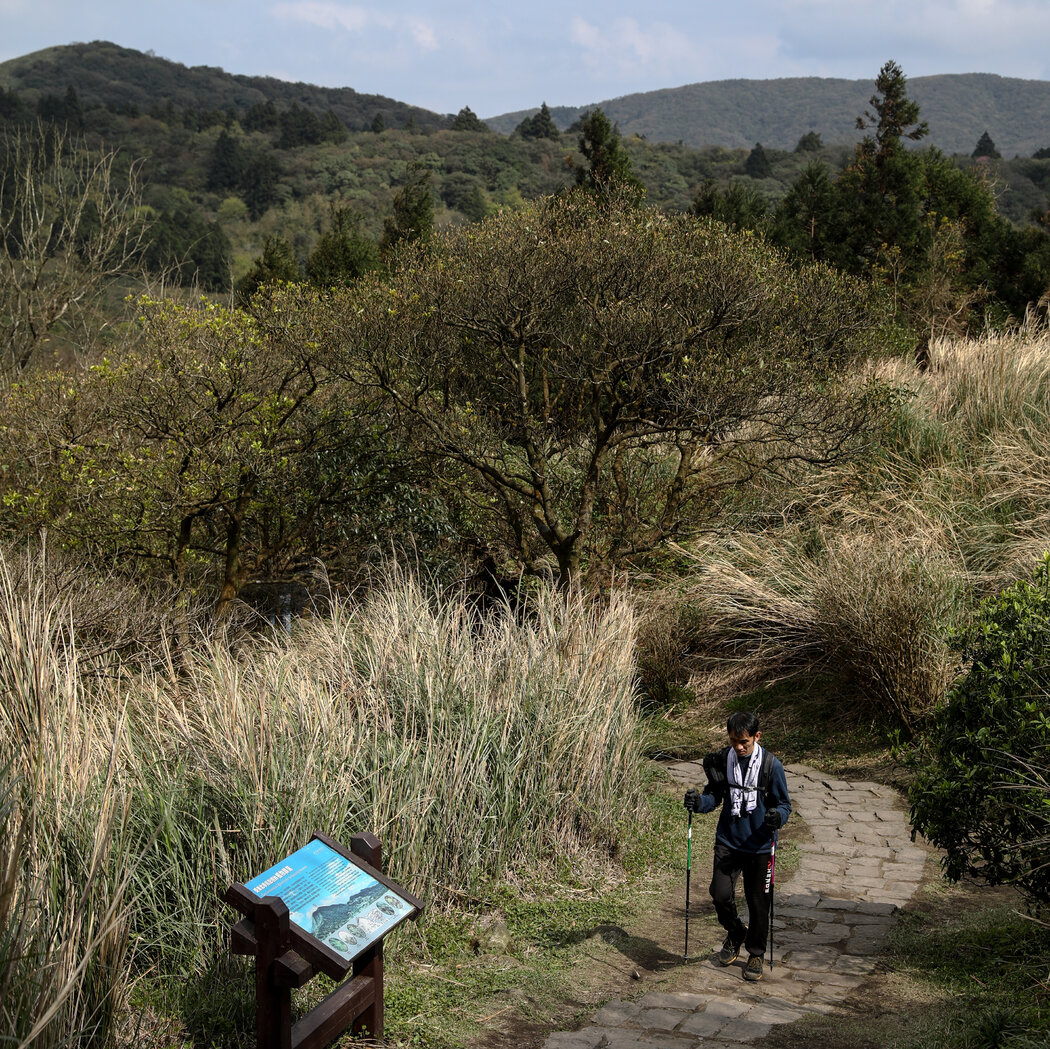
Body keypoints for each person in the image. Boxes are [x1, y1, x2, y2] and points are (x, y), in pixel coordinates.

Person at [684, 711, 791, 982]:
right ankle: (735, 932)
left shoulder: (771, 765)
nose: (739, 747)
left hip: (760, 845)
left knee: (758, 904)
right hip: (728, 841)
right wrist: (698, 803)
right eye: (734, 741)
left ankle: (755, 953)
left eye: (744, 742)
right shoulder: (723, 760)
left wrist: (778, 817)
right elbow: (714, 796)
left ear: (757, 736)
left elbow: (784, 805)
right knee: (719, 894)